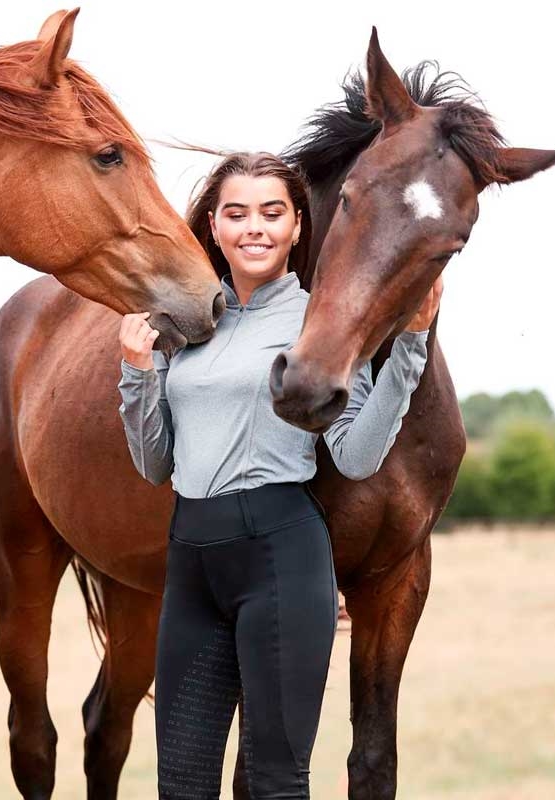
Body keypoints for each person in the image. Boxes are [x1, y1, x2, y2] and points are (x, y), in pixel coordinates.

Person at [116, 152, 440, 799]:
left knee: (275, 782)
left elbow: (355, 456)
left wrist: (409, 345)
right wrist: (135, 372)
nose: (253, 227)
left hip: (280, 559)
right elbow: (155, 463)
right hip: (192, 566)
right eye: (237, 213)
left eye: (272, 213)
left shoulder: (324, 320)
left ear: (297, 227)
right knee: (179, 785)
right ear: (214, 226)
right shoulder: (189, 328)